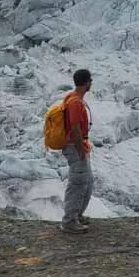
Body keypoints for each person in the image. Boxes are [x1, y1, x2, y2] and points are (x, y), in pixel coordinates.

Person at [61, 68, 93, 233]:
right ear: (86, 83)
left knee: (87, 181)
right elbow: (74, 127)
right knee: (78, 182)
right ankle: (69, 221)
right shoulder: (75, 102)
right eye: (90, 81)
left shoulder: (72, 98)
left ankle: (76, 215)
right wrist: (80, 148)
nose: (91, 84)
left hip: (78, 146)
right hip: (74, 147)